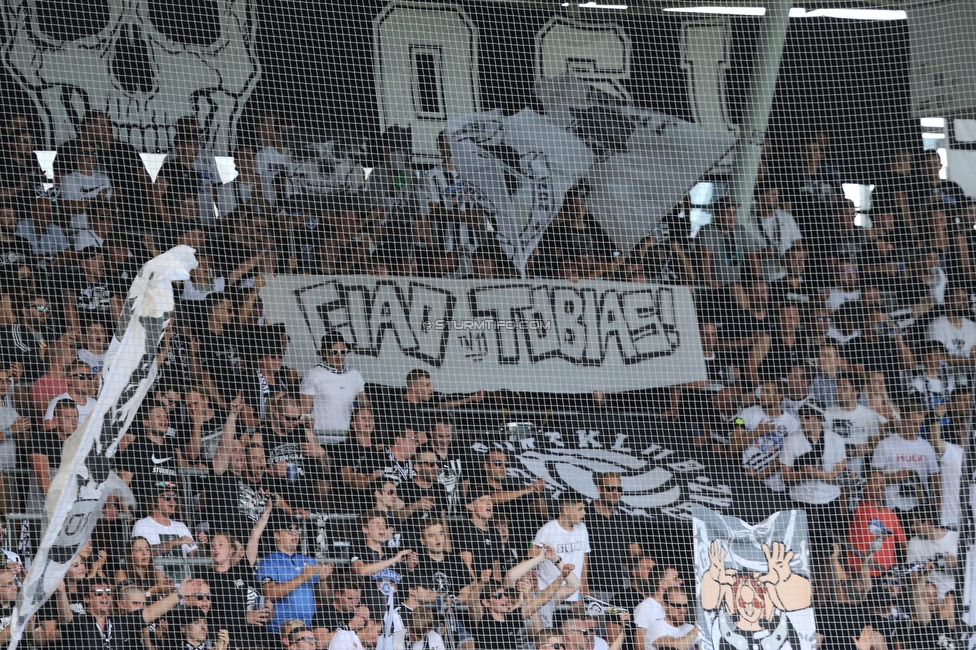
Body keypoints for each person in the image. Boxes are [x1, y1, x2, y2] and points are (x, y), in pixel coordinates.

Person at [60, 577, 208, 650]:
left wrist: (180, 593)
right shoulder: (80, 621)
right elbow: (65, 616)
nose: (105, 596)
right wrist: (61, 592)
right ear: (86, 598)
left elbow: (150, 612)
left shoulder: (119, 621)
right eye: (98, 593)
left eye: (108, 592)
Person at [256, 511, 335, 633]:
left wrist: (323, 579)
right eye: (290, 530)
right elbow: (270, 592)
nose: (295, 534)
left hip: (307, 630)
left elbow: (324, 598)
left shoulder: (309, 560)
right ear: (277, 535)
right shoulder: (268, 561)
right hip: (280, 631)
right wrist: (302, 577)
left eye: (297, 530)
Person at [779, 407, 846, 550]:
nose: (802, 420)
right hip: (800, 500)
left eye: (807, 417)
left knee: (832, 548)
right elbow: (784, 476)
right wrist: (803, 474)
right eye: (801, 416)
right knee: (800, 547)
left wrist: (815, 473)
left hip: (829, 501)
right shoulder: (792, 439)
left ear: (819, 419)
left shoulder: (836, 439)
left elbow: (839, 475)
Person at [871, 400, 940, 515]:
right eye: (913, 424)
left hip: (921, 506)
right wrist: (896, 476)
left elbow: (935, 476)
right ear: (903, 422)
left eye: (919, 423)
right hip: (892, 506)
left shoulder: (926, 446)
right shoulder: (885, 444)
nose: (917, 428)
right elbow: (874, 480)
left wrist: (938, 499)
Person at [300, 331, 367, 436]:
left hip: (349, 440)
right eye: (334, 352)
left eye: (343, 352)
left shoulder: (355, 375)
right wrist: (307, 420)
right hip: (321, 437)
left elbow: (364, 405)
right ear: (324, 353)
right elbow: (304, 411)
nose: (339, 356)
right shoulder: (313, 374)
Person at [129, 481, 199, 582]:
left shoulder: (181, 527)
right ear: (155, 500)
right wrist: (174, 542)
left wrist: (202, 545)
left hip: (183, 589)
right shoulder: (142, 524)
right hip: (157, 588)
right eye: (167, 497)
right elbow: (141, 554)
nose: (172, 501)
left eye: (175, 497)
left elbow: (195, 557)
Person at [532, 491, 590, 602]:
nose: (584, 513)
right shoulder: (547, 530)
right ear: (566, 510)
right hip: (549, 595)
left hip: (574, 594)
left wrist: (583, 588)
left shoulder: (582, 528)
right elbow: (531, 559)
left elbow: (584, 559)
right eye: (580, 509)